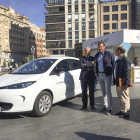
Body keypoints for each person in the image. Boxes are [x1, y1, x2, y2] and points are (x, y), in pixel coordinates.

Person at [95, 41, 115, 115]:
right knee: (103, 91)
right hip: (100, 75)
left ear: (104, 47)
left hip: (107, 75)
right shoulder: (96, 55)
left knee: (108, 91)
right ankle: (105, 106)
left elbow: (113, 64)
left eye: (101, 46)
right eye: (99, 46)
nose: (100, 48)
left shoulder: (109, 54)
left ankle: (110, 108)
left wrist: (110, 71)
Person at [114, 47, 131, 118]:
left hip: (123, 81)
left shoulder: (125, 59)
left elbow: (127, 71)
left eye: (115, 50)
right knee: (120, 97)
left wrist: (127, 82)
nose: (115, 52)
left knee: (125, 97)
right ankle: (122, 110)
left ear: (119, 51)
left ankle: (126, 112)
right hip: (118, 81)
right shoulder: (118, 60)